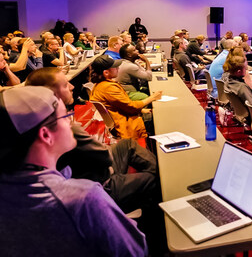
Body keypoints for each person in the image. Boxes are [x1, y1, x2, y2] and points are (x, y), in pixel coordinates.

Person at [0, 86, 148, 257]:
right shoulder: (83, 198)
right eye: (66, 116)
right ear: (46, 134)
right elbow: (135, 251)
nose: (72, 121)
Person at [25, 68, 160, 216]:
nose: (72, 86)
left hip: (87, 172)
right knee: (153, 179)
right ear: (51, 94)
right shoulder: (64, 128)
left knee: (126, 144)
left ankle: (158, 171)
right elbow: (104, 159)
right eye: (65, 85)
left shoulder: (34, 120)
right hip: (97, 186)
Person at [90, 55, 162, 139]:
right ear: (106, 72)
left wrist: (141, 109)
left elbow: (121, 105)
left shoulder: (99, 85)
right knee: (156, 120)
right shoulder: (109, 88)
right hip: (125, 125)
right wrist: (152, 97)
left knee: (151, 114)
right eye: (115, 67)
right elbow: (131, 106)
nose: (118, 68)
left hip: (122, 119)